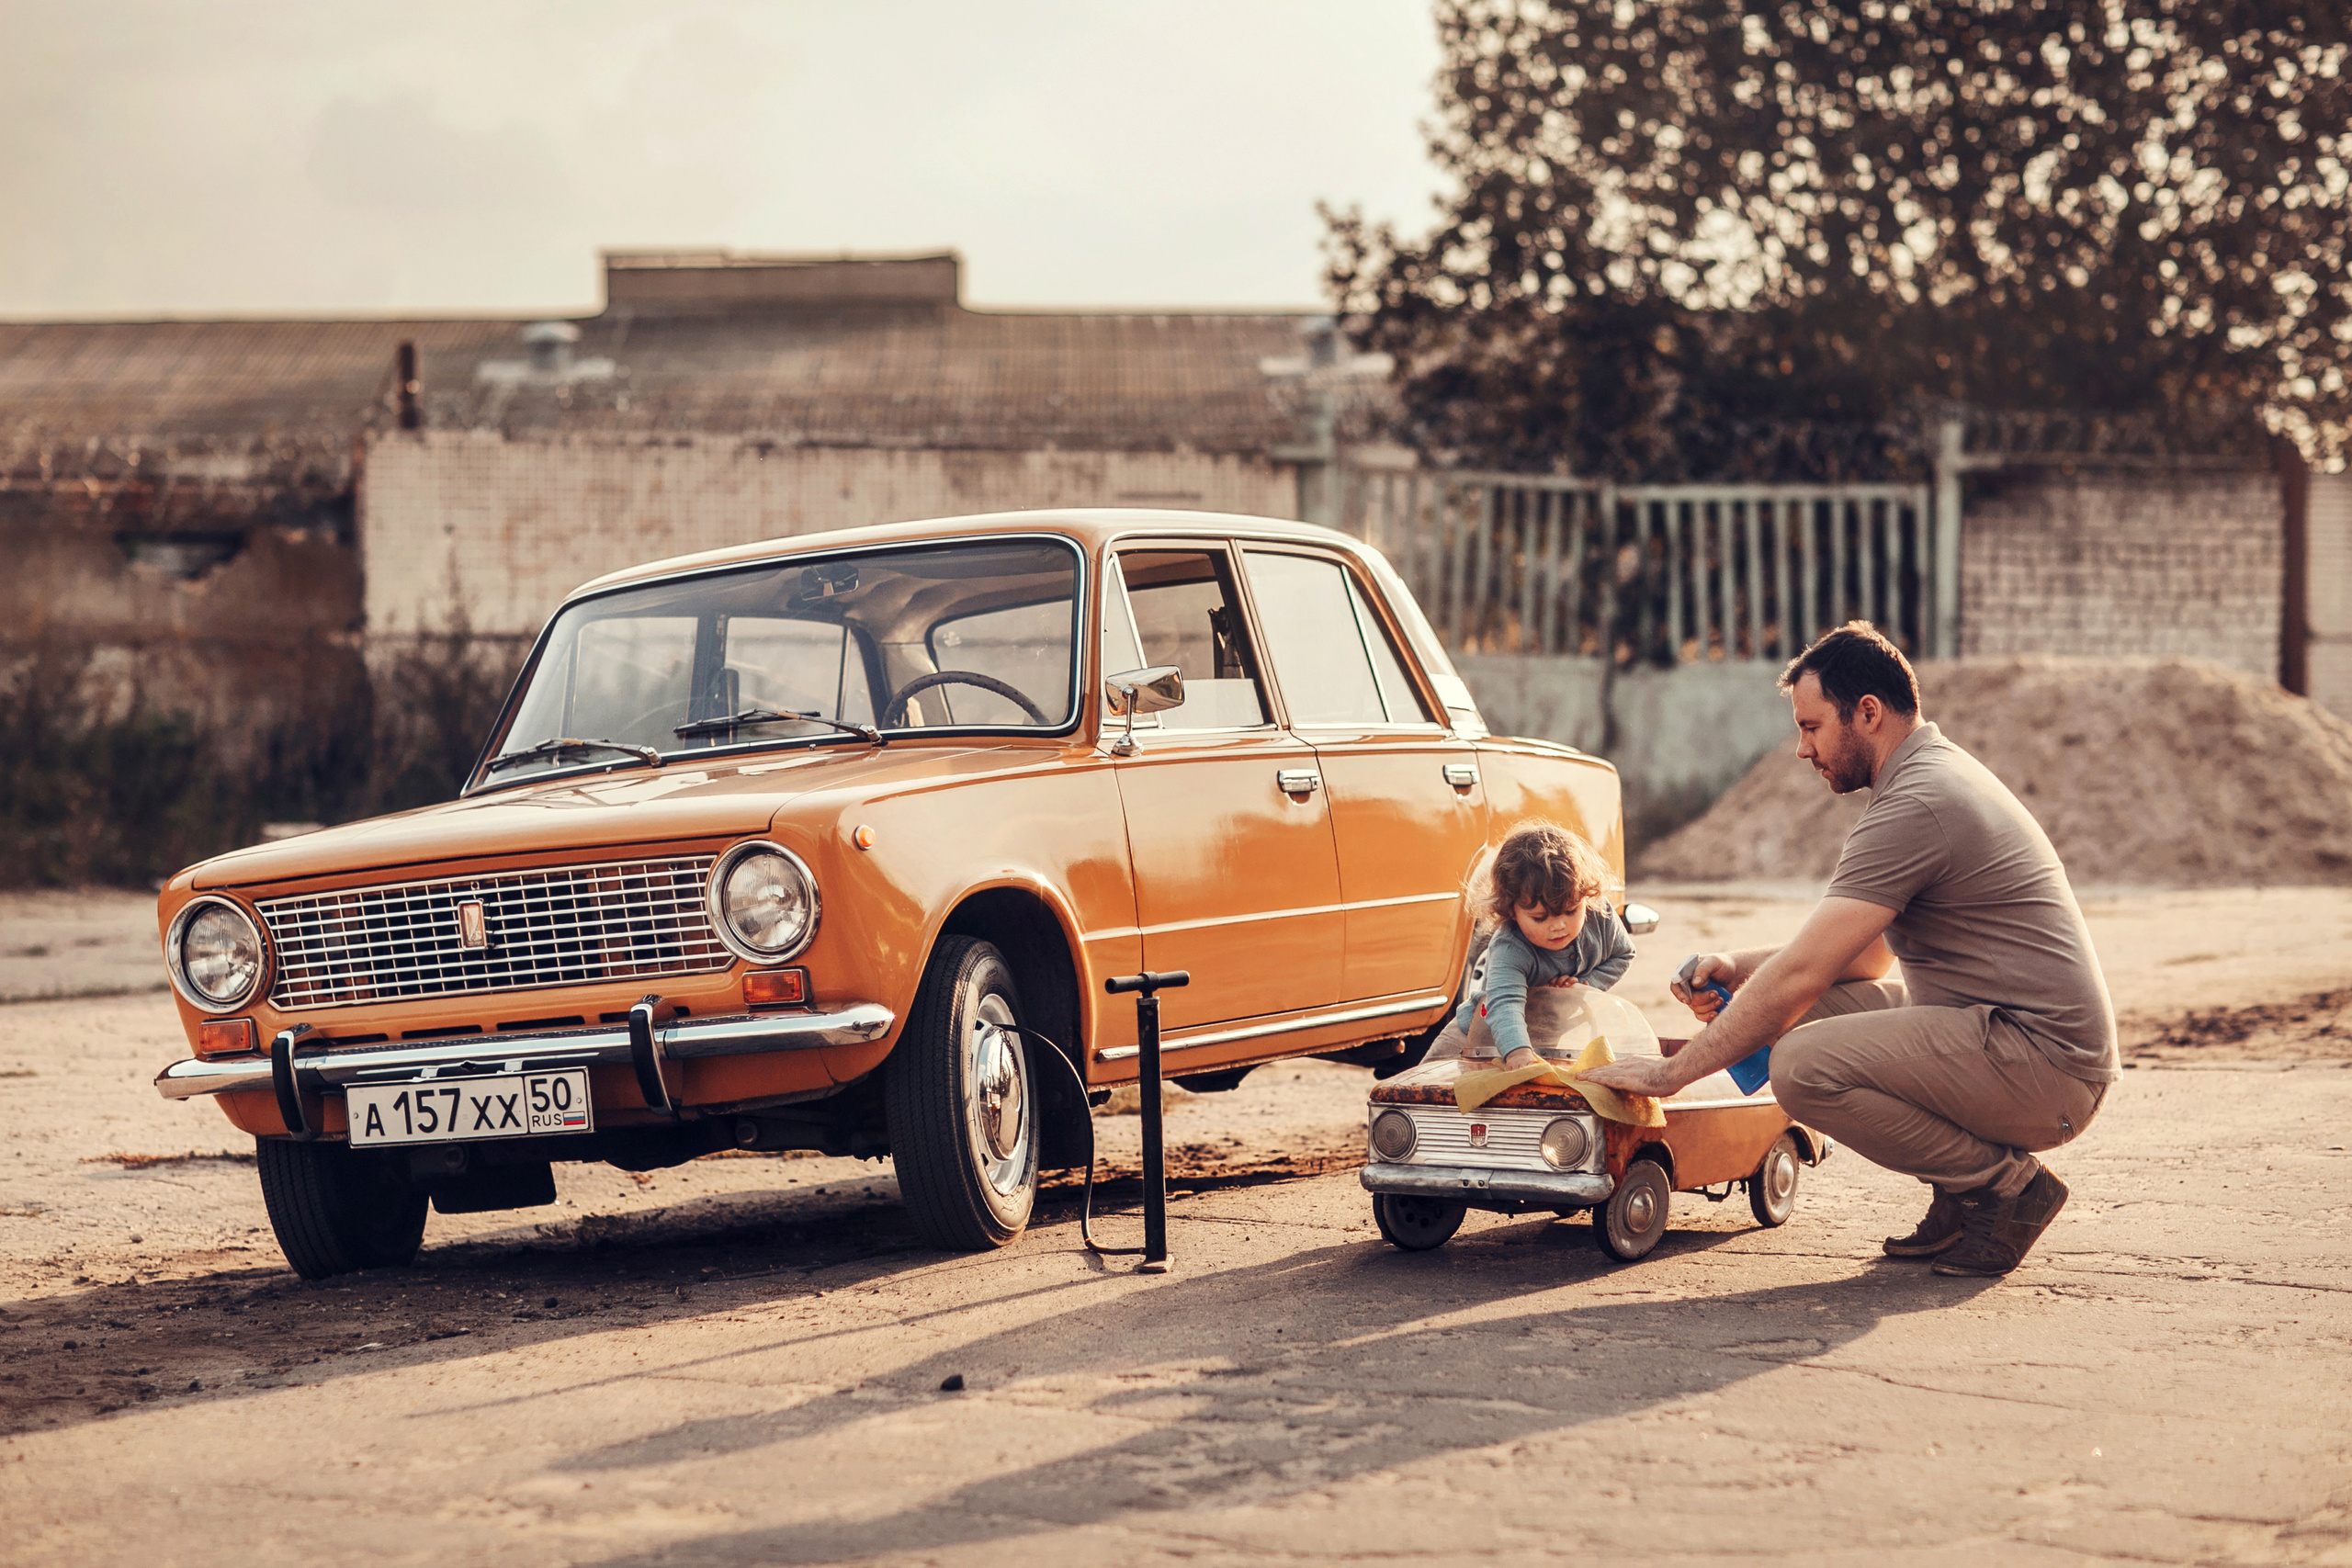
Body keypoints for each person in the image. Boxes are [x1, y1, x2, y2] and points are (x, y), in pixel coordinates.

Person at [1580, 622, 2117, 1278]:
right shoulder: (1926, 776)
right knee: (1808, 1014)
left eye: (1812, 727)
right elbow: (1864, 961)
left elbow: (1803, 972)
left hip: (2046, 1066)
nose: (1803, 749)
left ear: (1868, 712)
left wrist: (1672, 1074)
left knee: (1801, 1063)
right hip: (2014, 1045)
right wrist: (1739, 967)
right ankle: (1960, 1192)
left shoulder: (1918, 801)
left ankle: (2004, 1188)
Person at [1426, 820, 1637, 1068]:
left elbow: (1623, 954)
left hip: (1546, 1034)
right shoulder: (1510, 946)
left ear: (1585, 896)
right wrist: (1517, 1053)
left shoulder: (1600, 915)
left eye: (1570, 911)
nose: (1558, 925)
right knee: (1422, 1088)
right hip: (1477, 1033)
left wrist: (1585, 985)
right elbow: (1505, 1004)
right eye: (1540, 917)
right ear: (1511, 910)